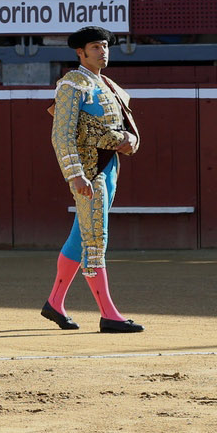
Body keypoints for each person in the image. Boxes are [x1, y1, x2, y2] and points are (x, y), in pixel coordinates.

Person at [43, 26, 144, 334]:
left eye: (105, 46)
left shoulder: (109, 85)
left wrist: (129, 141)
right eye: (96, 47)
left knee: (80, 238)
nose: (103, 52)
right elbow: (61, 135)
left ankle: (55, 302)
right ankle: (108, 314)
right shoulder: (72, 84)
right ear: (80, 53)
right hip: (89, 171)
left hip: (109, 166)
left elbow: (124, 129)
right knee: (95, 240)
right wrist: (75, 176)